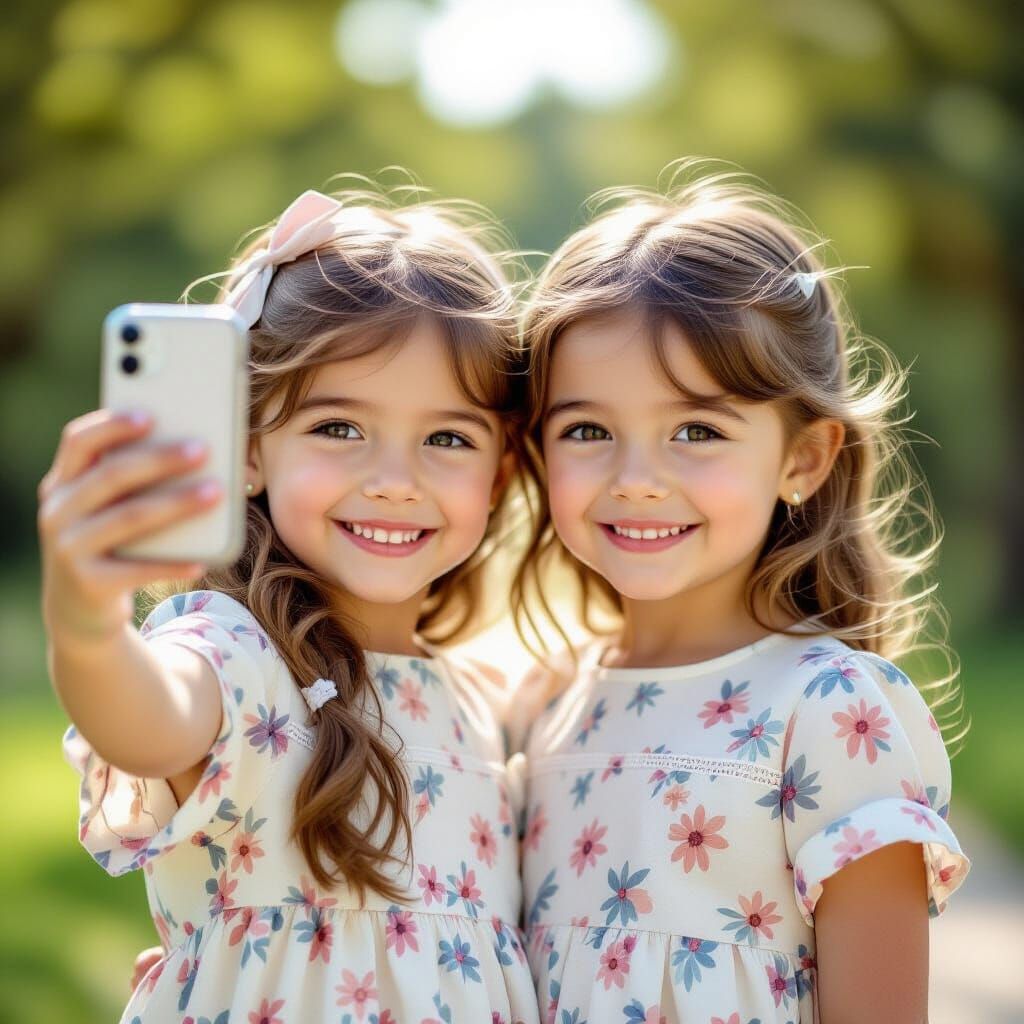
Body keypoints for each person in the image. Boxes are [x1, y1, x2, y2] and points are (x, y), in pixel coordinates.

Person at [40, 185, 539, 1023]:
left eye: (447, 438)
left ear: (499, 471)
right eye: (340, 427)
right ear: (248, 449)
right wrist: (85, 620)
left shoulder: (483, 701)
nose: (394, 479)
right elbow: (144, 717)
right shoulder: (241, 656)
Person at [511, 164, 970, 1023]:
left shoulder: (830, 710)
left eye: (697, 430)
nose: (637, 478)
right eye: (587, 429)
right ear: (536, 450)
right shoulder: (544, 703)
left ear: (802, 459)